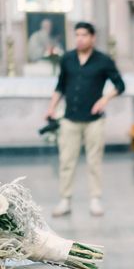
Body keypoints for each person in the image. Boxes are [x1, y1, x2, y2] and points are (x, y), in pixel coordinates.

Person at [45, 22, 125, 217]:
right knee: (66, 160)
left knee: (94, 161)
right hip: (70, 118)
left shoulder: (104, 60)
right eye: (77, 35)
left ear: (92, 38)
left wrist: (105, 99)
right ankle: (65, 200)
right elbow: (60, 85)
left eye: (84, 35)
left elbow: (120, 85)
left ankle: (95, 200)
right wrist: (51, 108)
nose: (80, 39)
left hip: (94, 120)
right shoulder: (67, 59)